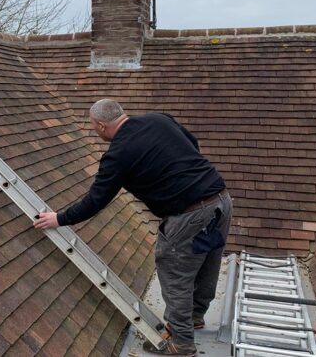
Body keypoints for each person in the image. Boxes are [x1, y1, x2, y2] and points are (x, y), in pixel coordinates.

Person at [34, 99, 232, 357]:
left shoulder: (118, 154)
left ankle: (182, 341)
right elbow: (191, 143)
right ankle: (194, 316)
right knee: (208, 260)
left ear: (102, 126)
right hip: (221, 198)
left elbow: (96, 200)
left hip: (190, 214)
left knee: (174, 269)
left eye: (94, 127)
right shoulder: (159, 119)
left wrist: (59, 219)